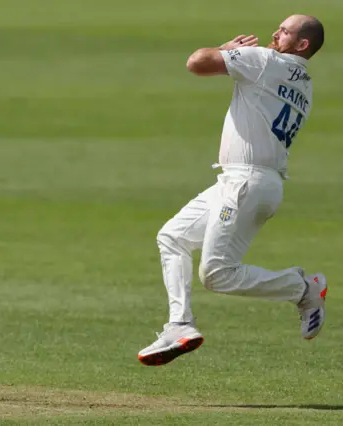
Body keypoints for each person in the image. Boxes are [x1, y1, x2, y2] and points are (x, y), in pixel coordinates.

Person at [138, 15, 327, 367]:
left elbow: (196, 62)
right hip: (247, 182)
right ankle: (179, 325)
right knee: (173, 237)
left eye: (284, 31)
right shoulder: (305, 83)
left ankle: (303, 288)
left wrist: (225, 50)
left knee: (217, 274)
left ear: (301, 45)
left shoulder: (265, 60)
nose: (274, 33)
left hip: (245, 183)